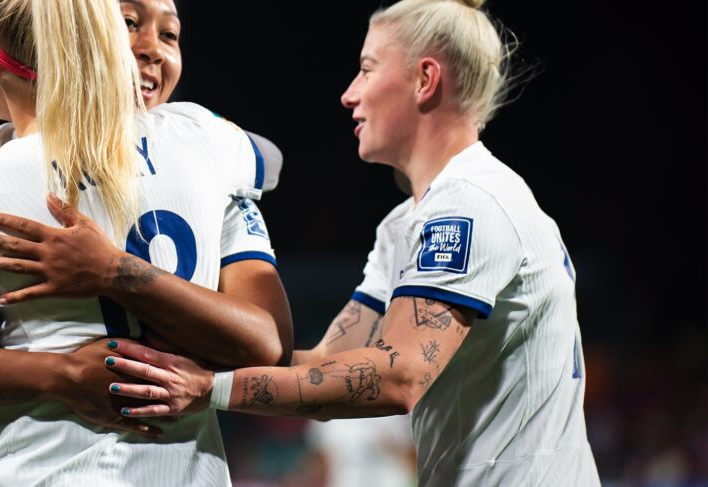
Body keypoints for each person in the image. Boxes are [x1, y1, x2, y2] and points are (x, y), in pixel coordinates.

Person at [98, 0, 602, 484]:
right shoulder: (406, 225)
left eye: (366, 69)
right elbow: (326, 364)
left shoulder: (469, 199)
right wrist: (188, 361)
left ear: (425, 80)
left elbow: (399, 375)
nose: (349, 94)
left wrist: (210, 388)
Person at [0, 0, 292, 485]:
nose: (149, 50)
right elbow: (267, 161)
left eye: (169, 34)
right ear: (87, 38)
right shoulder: (205, 143)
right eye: (128, 24)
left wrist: (109, 280)